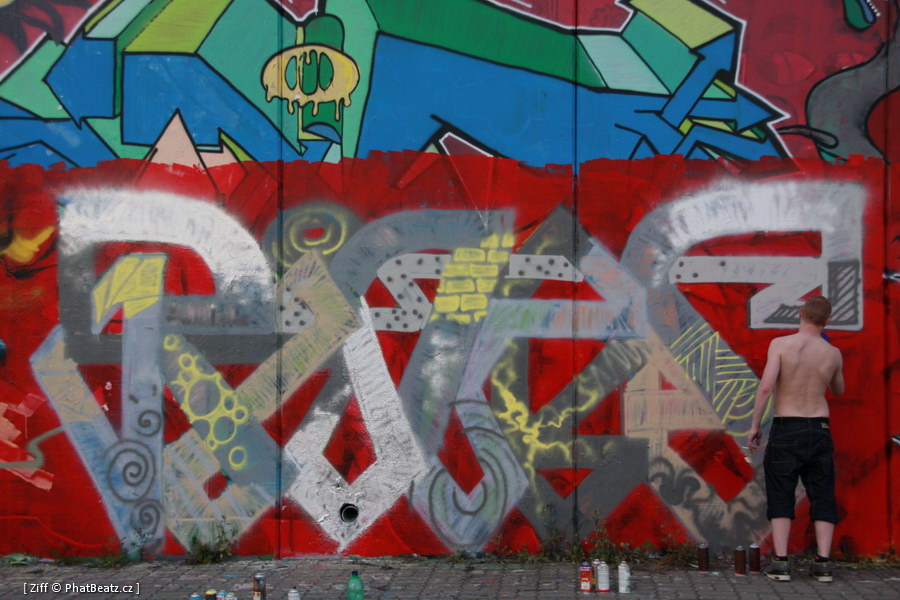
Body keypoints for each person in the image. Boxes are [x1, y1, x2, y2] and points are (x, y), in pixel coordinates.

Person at [748, 296, 844, 583]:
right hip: (820, 427)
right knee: (823, 493)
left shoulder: (780, 344)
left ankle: (781, 563)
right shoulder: (833, 353)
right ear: (826, 321)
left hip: (787, 427)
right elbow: (838, 389)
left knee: (781, 491)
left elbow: (766, 387)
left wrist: (755, 426)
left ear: (801, 313)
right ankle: (823, 563)